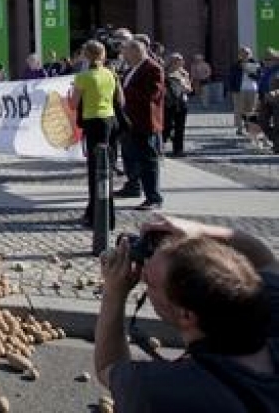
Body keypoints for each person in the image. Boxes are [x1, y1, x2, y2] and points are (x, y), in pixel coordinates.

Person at [96, 214, 279, 411]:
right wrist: (200, 231)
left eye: (149, 281)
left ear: (187, 315)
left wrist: (114, 293)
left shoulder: (161, 389)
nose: (143, 274)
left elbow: (108, 366)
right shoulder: (270, 309)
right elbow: (264, 259)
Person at [72, 40, 120, 229]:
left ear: (87, 55)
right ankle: (104, 214)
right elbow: (118, 99)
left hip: (93, 123)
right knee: (107, 168)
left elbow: (73, 104)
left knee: (96, 170)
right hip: (110, 121)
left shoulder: (83, 77)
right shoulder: (110, 74)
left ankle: (97, 216)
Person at [115, 39, 165, 210]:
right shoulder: (131, 69)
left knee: (147, 160)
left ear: (136, 51)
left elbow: (152, 94)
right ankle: (133, 186)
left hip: (145, 122)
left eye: (126, 52)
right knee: (130, 156)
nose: (123, 55)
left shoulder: (153, 68)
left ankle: (153, 197)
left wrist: (124, 90)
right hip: (129, 122)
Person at [162, 53, 193, 158]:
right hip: (169, 103)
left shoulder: (184, 74)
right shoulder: (164, 73)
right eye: (176, 61)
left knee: (180, 127)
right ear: (171, 62)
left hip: (182, 102)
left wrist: (185, 87)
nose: (179, 63)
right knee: (167, 125)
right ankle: (161, 146)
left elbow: (190, 89)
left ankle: (178, 149)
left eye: (180, 61)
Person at [228, 46, 259, 135]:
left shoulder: (255, 64)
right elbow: (231, 78)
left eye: (247, 53)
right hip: (239, 89)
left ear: (251, 54)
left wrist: (248, 71)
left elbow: (258, 77)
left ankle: (251, 128)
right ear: (239, 55)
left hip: (252, 89)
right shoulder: (235, 65)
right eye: (243, 53)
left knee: (251, 110)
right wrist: (232, 89)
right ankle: (240, 128)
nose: (245, 55)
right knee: (239, 109)